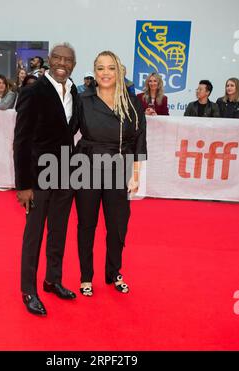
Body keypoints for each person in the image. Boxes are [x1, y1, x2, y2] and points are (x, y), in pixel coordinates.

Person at [75, 51, 147, 296]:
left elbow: (139, 140)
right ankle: (86, 276)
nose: (105, 73)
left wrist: (135, 174)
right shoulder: (84, 99)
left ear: (119, 71)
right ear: (94, 72)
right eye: (100, 68)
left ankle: (114, 272)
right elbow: (66, 132)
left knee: (117, 225)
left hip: (120, 168)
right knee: (86, 224)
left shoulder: (132, 101)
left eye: (110, 68)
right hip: (87, 167)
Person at [13, 43, 78, 316]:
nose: (62, 63)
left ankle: (53, 279)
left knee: (59, 231)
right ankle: (28, 289)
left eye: (68, 59)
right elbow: (21, 139)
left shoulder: (76, 91)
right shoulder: (33, 91)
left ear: (74, 64)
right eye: (58, 58)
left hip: (65, 175)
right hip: (38, 178)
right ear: (49, 60)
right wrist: (23, 185)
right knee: (34, 235)